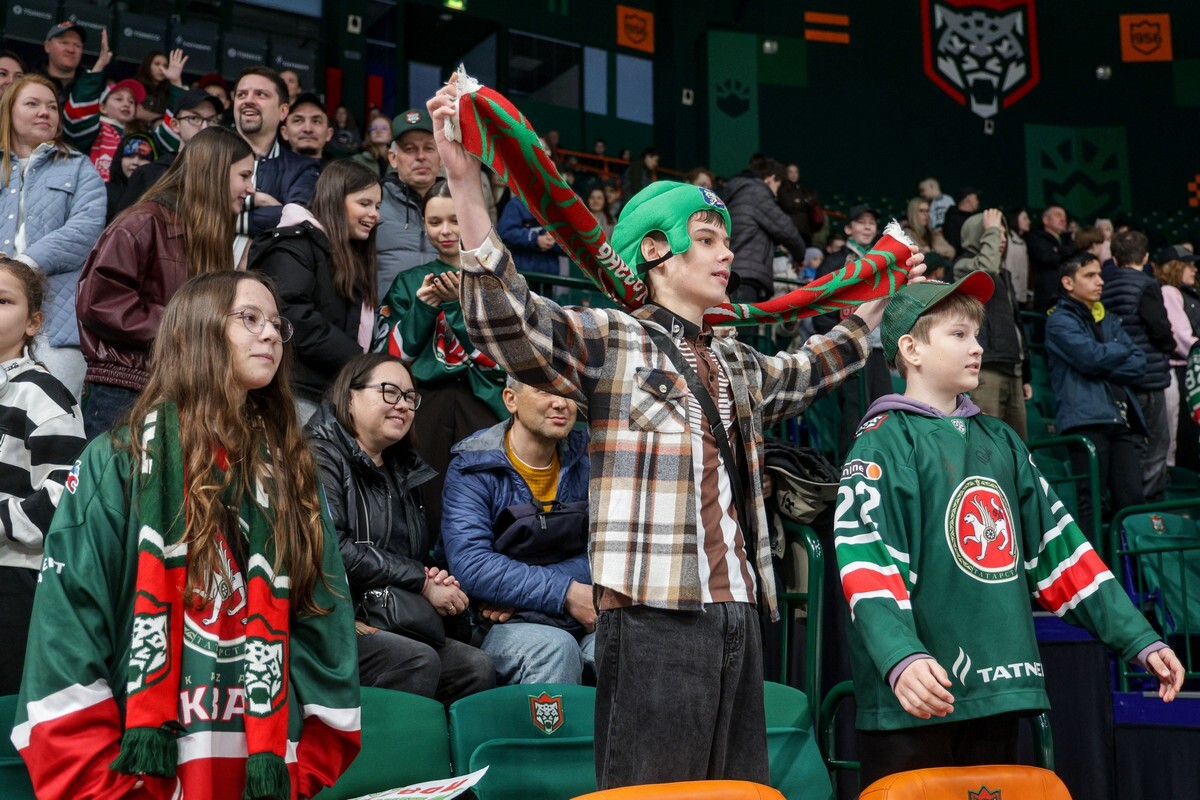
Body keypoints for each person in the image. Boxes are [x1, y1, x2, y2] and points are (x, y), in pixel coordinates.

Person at [427, 78, 923, 789]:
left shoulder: (734, 359)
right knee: (655, 792)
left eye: (725, 241)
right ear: (656, 250)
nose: (728, 255)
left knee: (738, 790)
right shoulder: (612, 338)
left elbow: (811, 367)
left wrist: (877, 294)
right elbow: (511, 322)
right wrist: (463, 181)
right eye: (708, 240)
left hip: (739, 607)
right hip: (651, 610)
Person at [14, 271, 362, 799]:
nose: (271, 333)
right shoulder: (117, 461)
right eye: (250, 318)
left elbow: (325, 624)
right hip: (140, 779)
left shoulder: (292, 474)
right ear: (191, 332)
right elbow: (68, 630)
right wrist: (104, 790)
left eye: (276, 324)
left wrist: (299, 773)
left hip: (261, 776)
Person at [834, 272, 1183, 789]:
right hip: (917, 695)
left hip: (1000, 688)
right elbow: (868, 563)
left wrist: (1138, 638)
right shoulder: (883, 442)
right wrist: (900, 656)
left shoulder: (1002, 440)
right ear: (911, 349)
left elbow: (1061, 551)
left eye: (977, 335)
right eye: (958, 334)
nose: (977, 347)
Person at [307, 353, 494, 704]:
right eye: (390, 392)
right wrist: (421, 580)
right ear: (350, 396)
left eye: (410, 397)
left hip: (394, 615)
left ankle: (436, 743)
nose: (403, 405)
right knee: (415, 660)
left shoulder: (404, 468)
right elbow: (333, 548)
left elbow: (414, 556)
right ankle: (384, 743)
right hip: (336, 616)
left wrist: (438, 581)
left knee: (474, 666)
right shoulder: (318, 455)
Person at [77, 126, 254, 437]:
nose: (250, 188)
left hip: (178, 389)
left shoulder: (208, 236)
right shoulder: (142, 222)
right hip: (126, 391)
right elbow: (99, 303)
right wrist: (187, 327)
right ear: (214, 172)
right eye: (244, 176)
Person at [442, 378, 594, 686]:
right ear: (511, 400)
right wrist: (565, 592)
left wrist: (533, 594)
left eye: (569, 394)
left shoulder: (588, 458)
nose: (561, 403)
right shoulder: (473, 466)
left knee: (625, 642)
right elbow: (472, 565)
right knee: (555, 649)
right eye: (545, 391)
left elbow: (608, 550)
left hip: (576, 615)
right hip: (490, 624)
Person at [376, 181, 506, 537]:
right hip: (425, 403)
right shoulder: (409, 282)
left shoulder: (494, 281)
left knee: (485, 498)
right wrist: (424, 307)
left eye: (454, 220)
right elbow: (392, 357)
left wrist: (454, 307)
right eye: (435, 222)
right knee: (425, 497)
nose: (445, 230)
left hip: (483, 401)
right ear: (424, 225)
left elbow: (499, 358)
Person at [0, 257, 86, 695]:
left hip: (13, 578)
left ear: (33, 322)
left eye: (2, 301)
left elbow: (65, 492)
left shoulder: (42, 393)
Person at [0, 74, 106, 402]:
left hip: (58, 323)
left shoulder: (79, 166)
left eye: (51, 106)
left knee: (52, 413)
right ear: (9, 110)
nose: (45, 112)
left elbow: (87, 229)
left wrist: (24, 265)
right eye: (32, 104)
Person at [248, 160, 380, 421]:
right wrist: (357, 359)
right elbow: (292, 315)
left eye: (378, 206)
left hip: (329, 393)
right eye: (364, 203)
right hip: (296, 392)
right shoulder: (294, 245)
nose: (374, 214)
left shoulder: (347, 254)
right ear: (335, 200)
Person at [1046, 252, 1147, 537]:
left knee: (1132, 501)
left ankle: (1130, 563)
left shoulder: (1109, 319)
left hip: (1119, 419)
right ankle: (1094, 565)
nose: (1100, 281)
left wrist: (1105, 358)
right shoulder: (1058, 321)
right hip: (1085, 421)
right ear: (1068, 282)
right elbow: (1090, 358)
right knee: (1091, 501)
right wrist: (1118, 352)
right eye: (1090, 275)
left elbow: (1140, 364)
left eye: (1100, 274)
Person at [1103, 229, 1174, 501]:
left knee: (1130, 445)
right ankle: (1149, 509)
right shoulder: (1147, 285)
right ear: (1146, 257)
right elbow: (1160, 330)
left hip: (1118, 378)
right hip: (1149, 377)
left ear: (1115, 258)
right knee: (1155, 445)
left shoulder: (1104, 285)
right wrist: (1168, 346)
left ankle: (1129, 505)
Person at [814, 204, 892, 454]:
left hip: (877, 348)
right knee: (854, 409)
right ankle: (852, 464)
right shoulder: (835, 261)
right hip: (848, 346)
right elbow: (820, 305)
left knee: (884, 407)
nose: (867, 227)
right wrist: (838, 339)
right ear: (848, 229)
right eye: (861, 222)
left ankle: (881, 462)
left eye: (871, 222)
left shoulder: (880, 262)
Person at [953, 209, 1029, 438]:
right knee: (988, 441)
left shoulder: (1004, 274)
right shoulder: (962, 266)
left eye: (1003, 233)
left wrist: (1025, 373)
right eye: (994, 232)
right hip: (986, 368)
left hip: (1012, 367)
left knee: (1018, 444)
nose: (1001, 238)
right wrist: (992, 229)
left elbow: (1016, 324)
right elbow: (985, 270)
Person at [232, 67, 320, 259]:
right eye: (241, 94)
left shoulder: (302, 168)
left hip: (266, 272)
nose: (248, 100)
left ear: (283, 111)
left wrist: (225, 214)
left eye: (261, 94)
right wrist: (257, 200)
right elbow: (191, 208)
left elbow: (296, 223)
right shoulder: (210, 151)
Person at [115, 88, 225, 217]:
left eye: (211, 120)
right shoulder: (150, 174)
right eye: (194, 118)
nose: (205, 127)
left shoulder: (223, 175)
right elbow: (123, 224)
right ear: (175, 125)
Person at [376, 109, 442, 297]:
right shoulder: (374, 201)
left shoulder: (459, 204)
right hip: (387, 312)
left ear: (441, 156)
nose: (421, 156)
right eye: (410, 149)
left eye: (429, 148)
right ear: (393, 158)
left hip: (445, 314)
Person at [723, 158, 807, 303]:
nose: (776, 194)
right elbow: (787, 231)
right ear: (771, 179)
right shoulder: (756, 192)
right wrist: (800, 256)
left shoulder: (736, 191)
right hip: (746, 275)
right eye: (777, 187)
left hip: (731, 271)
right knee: (743, 318)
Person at [1157, 255, 1200, 468]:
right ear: (1175, 266)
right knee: (1183, 432)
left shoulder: (1192, 294)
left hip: (1193, 366)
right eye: (1188, 265)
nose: (1194, 270)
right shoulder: (1169, 292)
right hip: (1182, 370)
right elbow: (1181, 337)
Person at [497, 195, 564, 276]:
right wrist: (535, 239)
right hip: (522, 270)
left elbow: (570, 239)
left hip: (549, 272)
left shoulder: (557, 205)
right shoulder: (516, 204)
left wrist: (554, 240)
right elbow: (505, 232)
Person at [1028, 205, 1076, 313]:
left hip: (1070, 295)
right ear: (1045, 220)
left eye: (1064, 217)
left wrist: (1058, 251)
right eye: (1058, 215)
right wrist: (1065, 252)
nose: (1063, 219)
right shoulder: (1036, 238)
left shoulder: (1068, 239)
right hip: (1047, 298)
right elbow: (1046, 258)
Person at [104, 132, 157, 222]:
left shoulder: (156, 196)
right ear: (119, 159)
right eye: (130, 156)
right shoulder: (104, 192)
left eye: (143, 158)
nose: (135, 162)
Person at [903, 196, 955, 276]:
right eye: (921, 211)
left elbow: (950, 252)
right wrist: (934, 254)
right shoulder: (906, 233)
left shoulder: (931, 233)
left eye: (927, 211)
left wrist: (933, 253)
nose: (926, 214)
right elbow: (919, 257)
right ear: (913, 213)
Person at [35, 22, 85, 102]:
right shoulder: (30, 81)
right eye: (64, 43)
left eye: (77, 45)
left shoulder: (89, 85)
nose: (71, 50)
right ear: (47, 46)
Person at [281, 92, 332, 164]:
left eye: (316, 121)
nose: (308, 129)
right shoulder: (269, 169)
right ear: (284, 132)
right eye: (298, 121)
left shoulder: (343, 171)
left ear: (329, 134)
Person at [777, 163, 821, 244]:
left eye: (796, 172)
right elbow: (789, 207)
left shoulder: (802, 189)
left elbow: (814, 197)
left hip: (805, 231)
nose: (794, 175)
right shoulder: (782, 190)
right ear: (786, 174)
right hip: (790, 231)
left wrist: (801, 202)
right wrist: (805, 202)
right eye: (790, 172)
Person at [940, 186, 980, 255]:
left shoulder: (974, 218)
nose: (978, 201)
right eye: (976, 197)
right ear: (969, 198)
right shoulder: (952, 219)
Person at [133, 50, 170, 125]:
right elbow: (136, 113)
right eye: (157, 64)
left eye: (165, 66)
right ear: (147, 65)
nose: (161, 69)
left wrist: (147, 115)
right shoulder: (135, 86)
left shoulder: (167, 92)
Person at [1003, 208, 1030, 307]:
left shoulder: (1023, 242)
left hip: (1019, 292)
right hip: (1009, 292)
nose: (1028, 222)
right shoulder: (1006, 239)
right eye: (1025, 218)